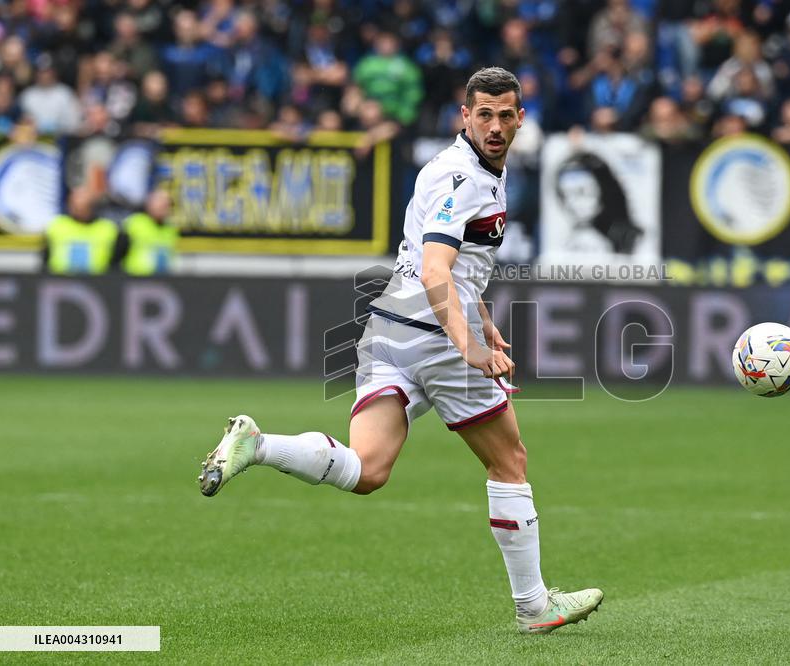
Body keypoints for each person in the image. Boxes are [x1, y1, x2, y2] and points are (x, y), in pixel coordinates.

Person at [197, 67, 604, 635]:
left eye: (504, 115)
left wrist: (480, 313)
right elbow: (437, 268)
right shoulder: (468, 180)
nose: (494, 125)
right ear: (464, 116)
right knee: (509, 461)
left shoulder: (455, 167)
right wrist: (470, 346)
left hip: (388, 326)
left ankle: (257, 445)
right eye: (483, 114)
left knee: (367, 469)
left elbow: (437, 257)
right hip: (436, 337)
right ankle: (534, 605)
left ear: (520, 119)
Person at [42, 188, 121, 275]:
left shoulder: (107, 228)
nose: (78, 210)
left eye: (84, 207)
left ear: (93, 207)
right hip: (60, 280)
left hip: (97, 281)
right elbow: (46, 256)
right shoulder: (57, 225)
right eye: (75, 206)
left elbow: (116, 259)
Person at [120, 189, 178, 276]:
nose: (164, 207)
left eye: (167, 205)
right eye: (160, 203)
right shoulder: (135, 223)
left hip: (163, 281)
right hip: (135, 279)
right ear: (150, 204)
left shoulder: (171, 230)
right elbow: (119, 252)